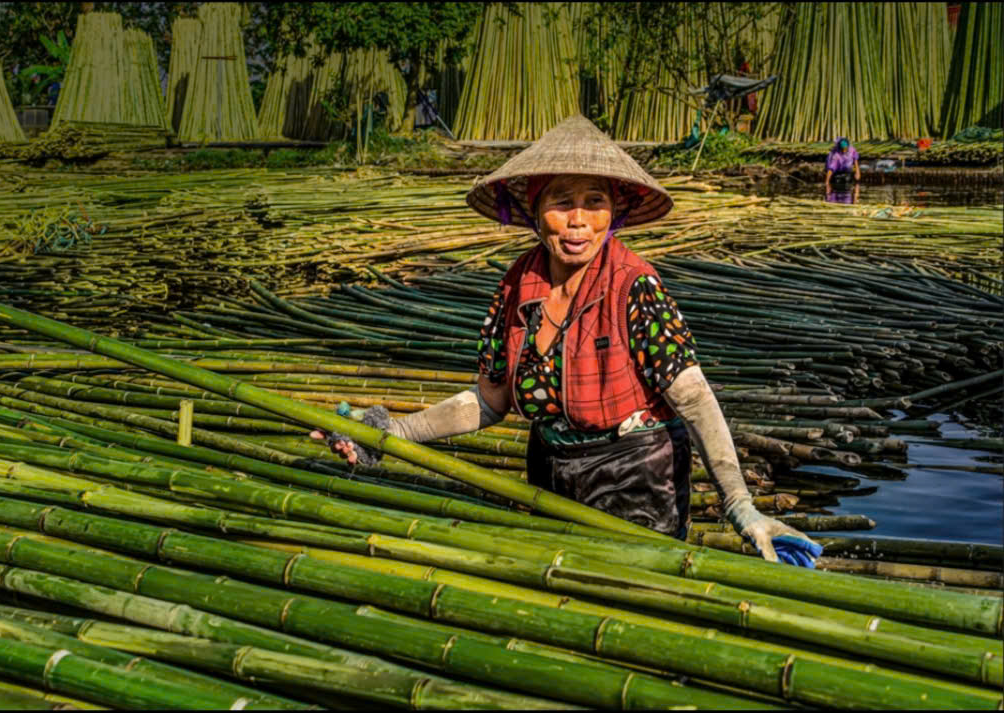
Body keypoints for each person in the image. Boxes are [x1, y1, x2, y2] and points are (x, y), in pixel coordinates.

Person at [311, 115, 822, 567]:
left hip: (636, 475)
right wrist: (389, 431)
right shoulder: (516, 286)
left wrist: (741, 506)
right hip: (550, 472)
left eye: (594, 202)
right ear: (535, 213)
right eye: (561, 202)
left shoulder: (634, 286)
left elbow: (695, 399)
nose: (578, 220)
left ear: (613, 213)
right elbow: (489, 402)